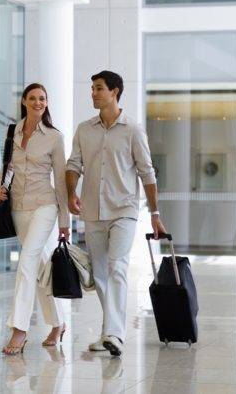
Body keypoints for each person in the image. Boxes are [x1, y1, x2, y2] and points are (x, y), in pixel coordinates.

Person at [65, 70, 167, 357]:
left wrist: (155, 213)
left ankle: (115, 334)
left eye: (99, 88)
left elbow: (147, 173)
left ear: (115, 91)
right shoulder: (84, 129)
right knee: (99, 273)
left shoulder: (133, 130)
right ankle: (109, 332)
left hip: (124, 209)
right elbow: (73, 164)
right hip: (93, 211)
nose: (93, 93)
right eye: (92, 88)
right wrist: (72, 192)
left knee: (117, 267)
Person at [0, 83, 70, 355]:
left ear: (46, 103)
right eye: (33, 98)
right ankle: (58, 323)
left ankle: (19, 329)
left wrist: (65, 221)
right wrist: (0, 187)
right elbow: (7, 166)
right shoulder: (12, 132)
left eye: (43, 99)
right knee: (38, 266)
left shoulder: (54, 137)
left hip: (45, 205)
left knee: (26, 262)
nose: (38, 102)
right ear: (24, 102)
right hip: (18, 206)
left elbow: (61, 182)